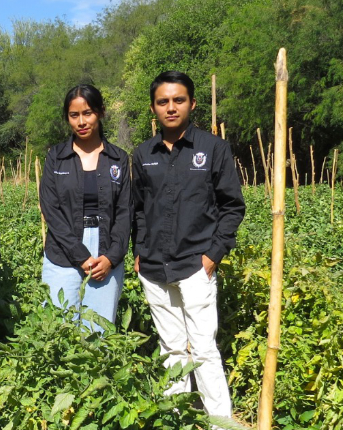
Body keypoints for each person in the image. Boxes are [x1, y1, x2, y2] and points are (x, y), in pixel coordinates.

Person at [131, 71, 245, 418]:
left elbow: (232, 206)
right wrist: (139, 250)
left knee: (204, 349)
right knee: (172, 348)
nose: (171, 107)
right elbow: (137, 208)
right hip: (153, 267)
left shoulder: (212, 149)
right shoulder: (142, 154)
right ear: (153, 108)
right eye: (163, 101)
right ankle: (176, 418)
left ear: (192, 104)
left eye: (178, 100)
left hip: (196, 264)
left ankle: (220, 423)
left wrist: (213, 255)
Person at [39, 84, 131, 332]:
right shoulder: (56, 157)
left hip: (105, 251)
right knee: (59, 331)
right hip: (64, 250)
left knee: (97, 334)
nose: (81, 121)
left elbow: (124, 212)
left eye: (87, 113)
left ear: (100, 112)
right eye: (74, 115)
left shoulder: (118, 158)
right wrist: (79, 254)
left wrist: (112, 257)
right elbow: (51, 210)